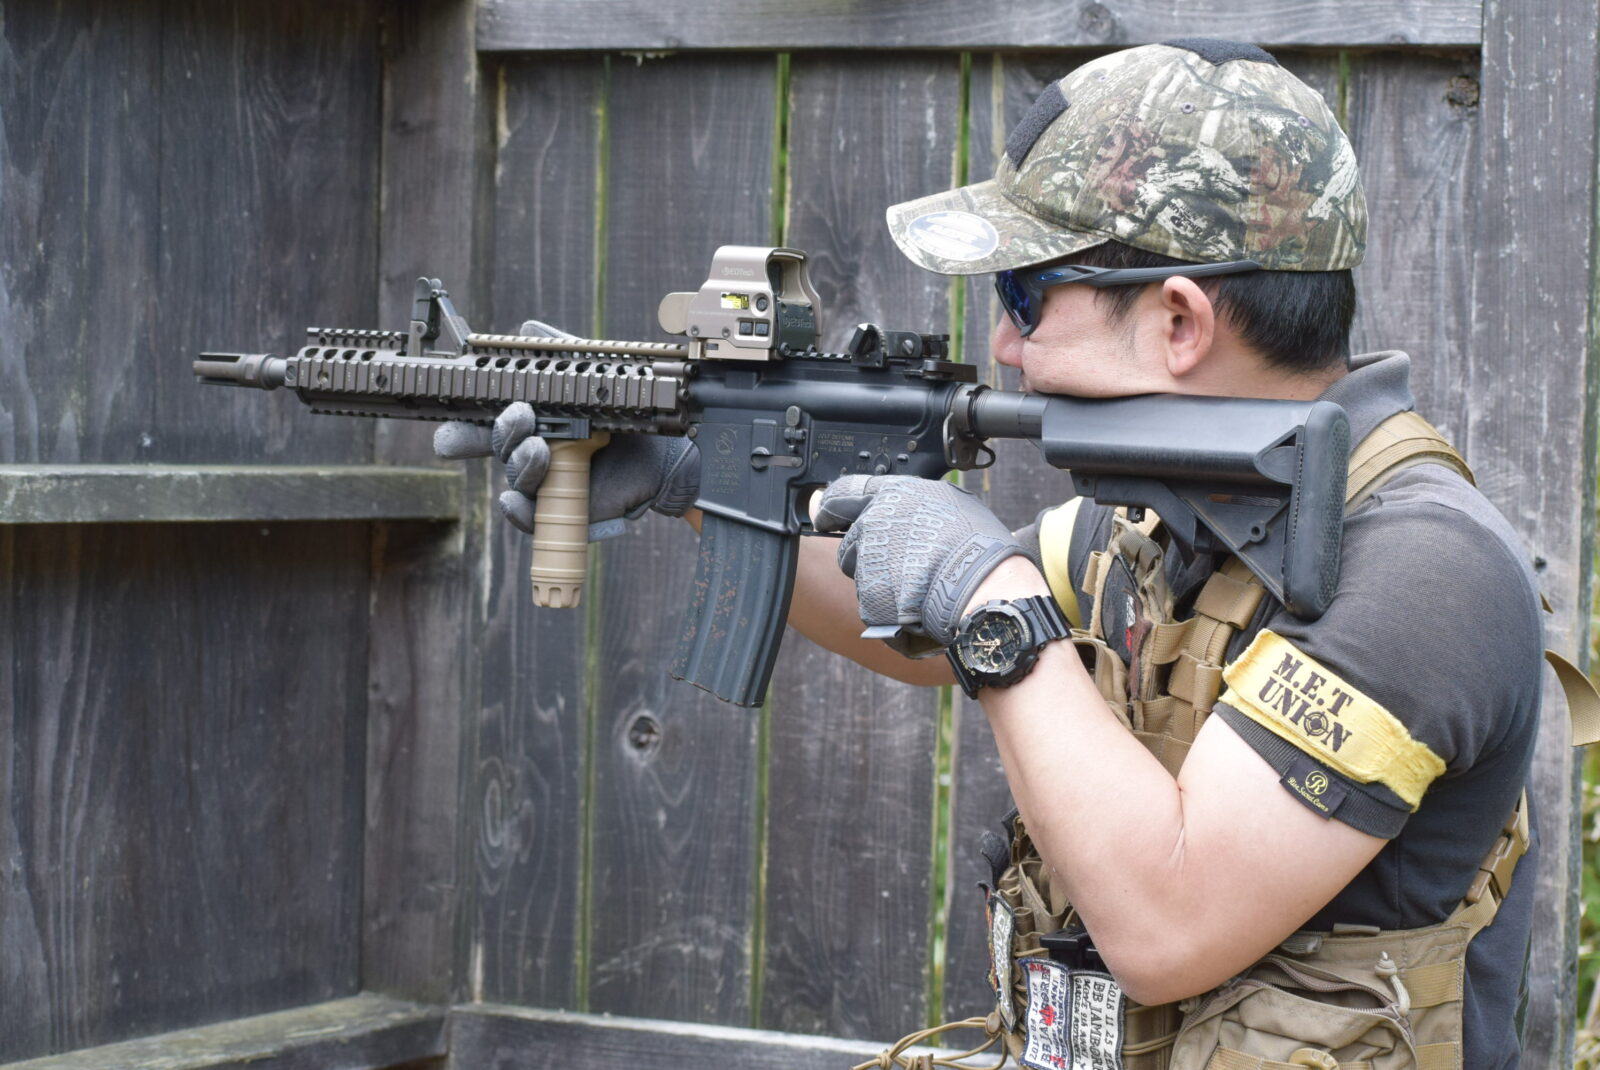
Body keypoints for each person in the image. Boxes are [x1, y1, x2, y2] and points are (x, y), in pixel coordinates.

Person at [438, 40, 1543, 1069]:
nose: (1004, 345)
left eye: (1025, 296)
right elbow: (919, 628)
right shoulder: (1173, 520)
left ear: (1178, 322)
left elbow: (1165, 922)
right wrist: (697, 481)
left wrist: (993, 594)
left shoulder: (1422, 574)